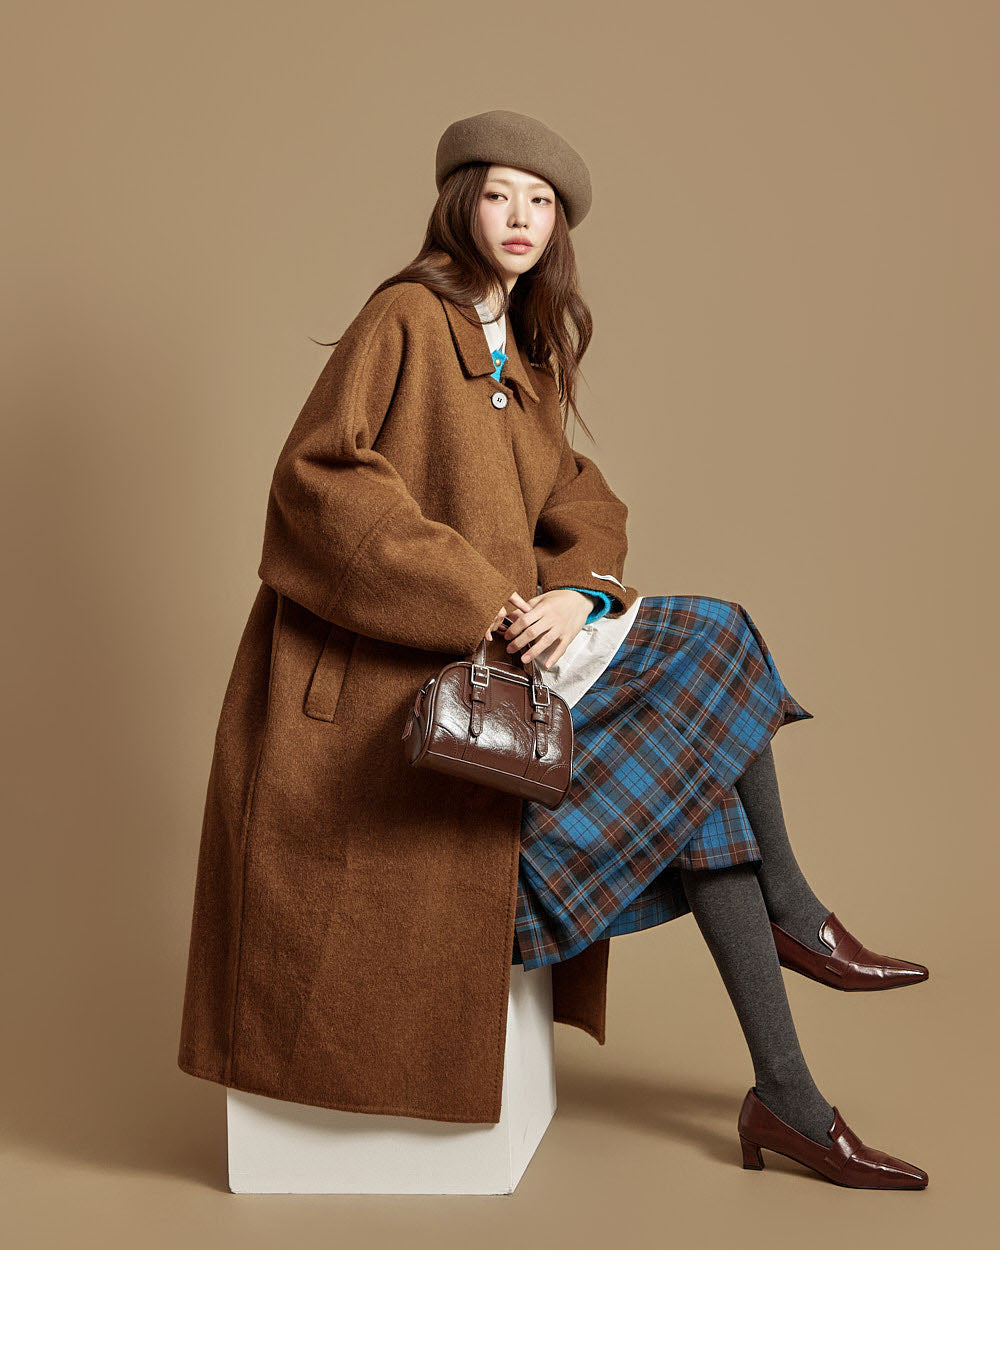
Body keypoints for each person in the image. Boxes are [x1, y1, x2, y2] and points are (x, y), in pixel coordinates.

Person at [178, 109, 929, 1189]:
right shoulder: (406, 315)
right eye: (498, 195)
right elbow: (319, 479)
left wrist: (578, 592)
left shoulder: (522, 355)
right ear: (460, 205)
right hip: (391, 710)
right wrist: (484, 601)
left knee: (707, 788)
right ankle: (795, 917)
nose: (519, 218)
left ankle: (789, 1097)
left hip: (498, 682)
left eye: (540, 202)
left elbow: (583, 496)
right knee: (717, 636)